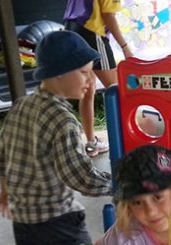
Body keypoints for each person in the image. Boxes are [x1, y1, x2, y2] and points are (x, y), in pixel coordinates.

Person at [0, 30, 112, 245]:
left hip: (24, 217)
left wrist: (6, 189)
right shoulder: (63, 120)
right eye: (84, 73)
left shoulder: (22, 105)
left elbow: (0, 153)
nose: (90, 81)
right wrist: (117, 186)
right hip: (57, 218)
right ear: (59, 73)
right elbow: (80, 177)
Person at [64, 0, 133, 157]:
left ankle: (90, 143)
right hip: (91, 32)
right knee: (118, 90)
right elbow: (108, 15)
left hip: (73, 29)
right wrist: (125, 47)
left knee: (88, 88)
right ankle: (128, 142)